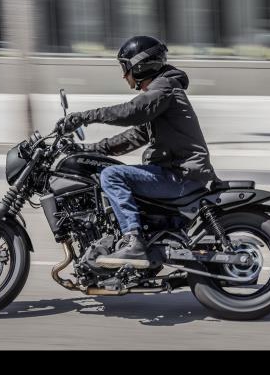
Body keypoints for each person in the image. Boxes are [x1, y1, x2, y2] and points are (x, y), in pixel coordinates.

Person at [54, 36, 216, 269]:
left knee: (112, 176)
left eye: (125, 68)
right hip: (176, 173)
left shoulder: (164, 88)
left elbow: (132, 111)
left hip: (181, 175)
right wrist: (86, 150)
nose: (124, 76)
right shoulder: (160, 93)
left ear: (140, 66)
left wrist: (84, 117)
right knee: (108, 172)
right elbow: (133, 137)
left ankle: (134, 242)